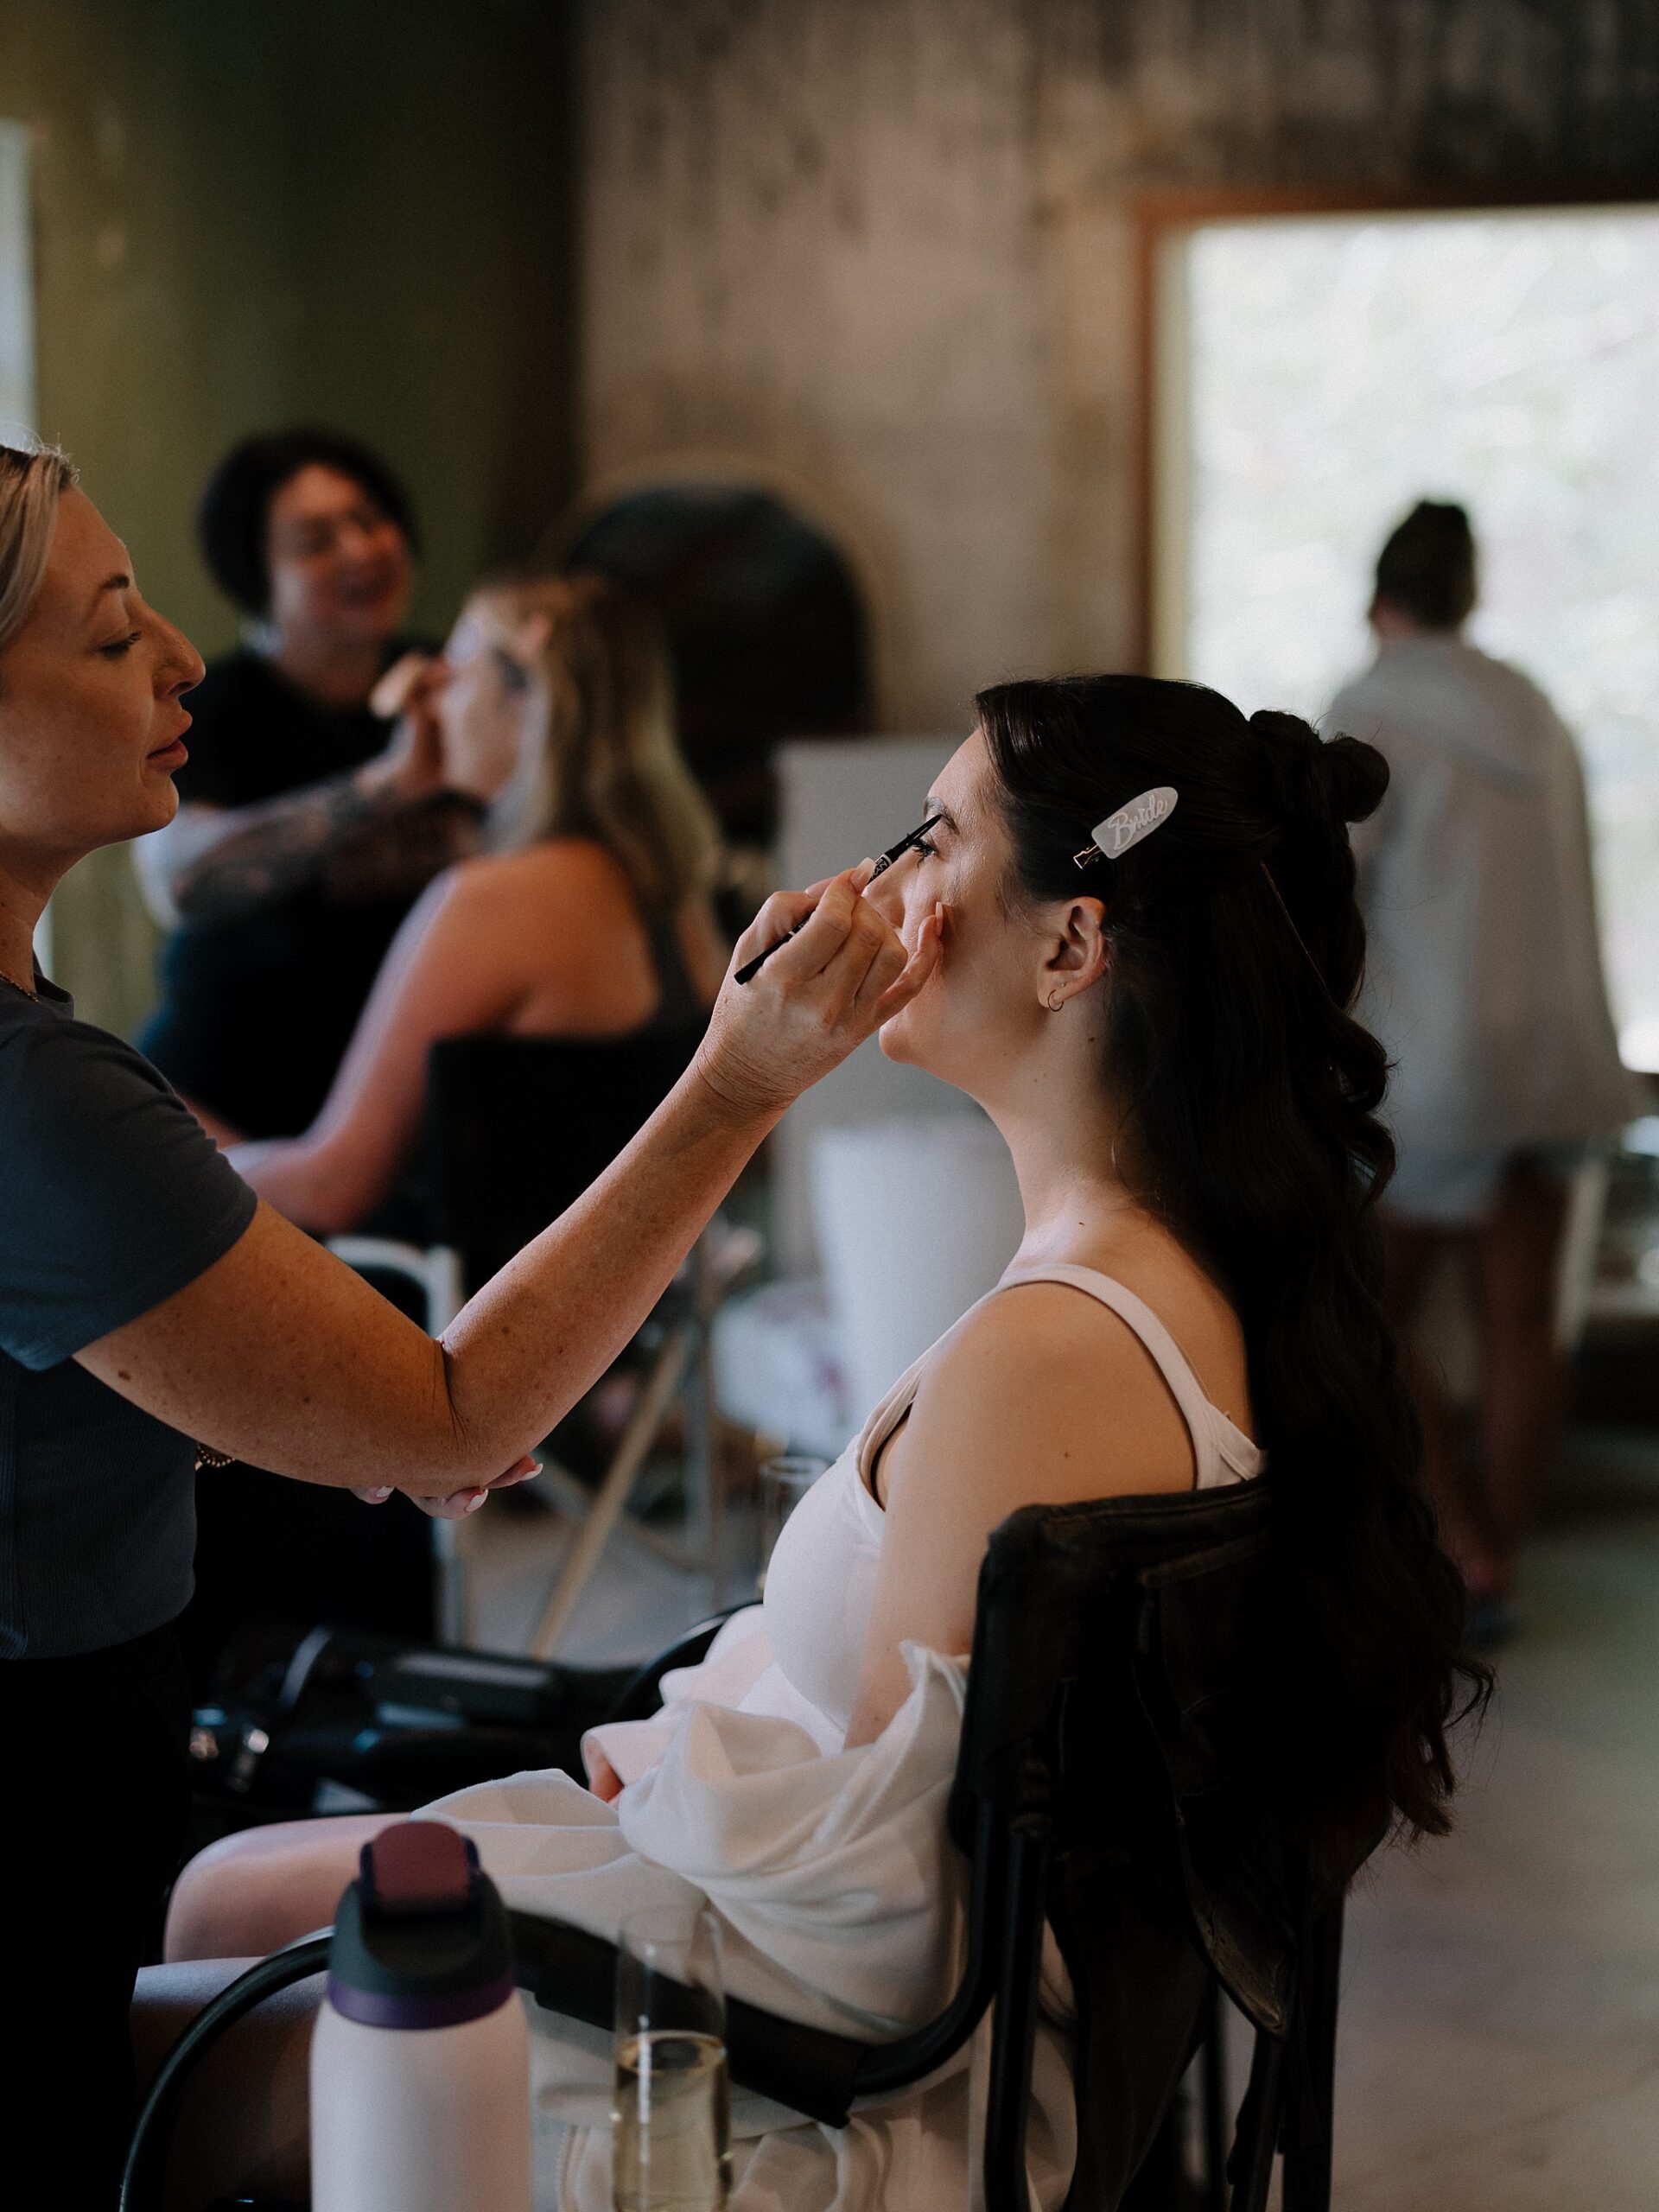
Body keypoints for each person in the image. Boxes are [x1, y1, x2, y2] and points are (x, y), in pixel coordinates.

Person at [160, 677, 1479, 2209]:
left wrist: (658, 1798)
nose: (868, 887)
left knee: (187, 1980)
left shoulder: (1045, 1358)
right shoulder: (1161, 1279)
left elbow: (873, 1921)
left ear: (1071, 942)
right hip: (860, 1998)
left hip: (852, 2094)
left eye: (931, 836)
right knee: (226, 1897)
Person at [0, 442, 935, 2207]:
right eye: (117, 635)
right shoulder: (38, 1100)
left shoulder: (67, 1071)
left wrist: (285, 1379)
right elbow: (440, 1409)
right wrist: (734, 1087)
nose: (188, 663)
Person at [1326, 501, 1636, 1633]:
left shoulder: (1371, 711)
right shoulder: (1533, 707)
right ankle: (1497, 1550)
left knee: (1356, 1301)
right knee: (1519, 1324)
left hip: (1437, 1073)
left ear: (1378, 602)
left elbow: (1328, 889)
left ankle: (1455, 1543)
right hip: (1559, 1059)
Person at [228, 571, 728, 1233]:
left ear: (527, 699)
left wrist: (167, 1160)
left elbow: (332, 1186)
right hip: (624, 1309)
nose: (430, 702)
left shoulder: (494, 901)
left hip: (453, 1315)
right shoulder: (670, 890)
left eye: (455, 673)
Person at [136, 428, 479, 1139]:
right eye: (316, 540)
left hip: (409, 1124)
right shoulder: (210, 708)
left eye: (370, 519)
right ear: (259, 578)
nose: (360, 550)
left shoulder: (454, 680)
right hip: (227, 1117)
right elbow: (184, 883)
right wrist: (386, 785)